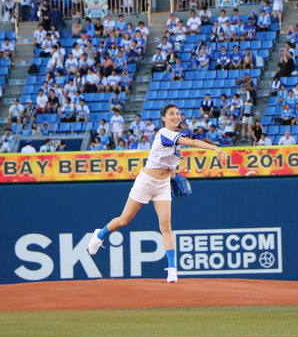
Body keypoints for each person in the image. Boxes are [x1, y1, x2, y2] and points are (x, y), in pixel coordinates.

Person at [88, 104, 227, 284]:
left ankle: (172, 270)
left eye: (178, 114)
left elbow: (169, 161)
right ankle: (100, 235)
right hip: (146, 181)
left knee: (166, 226)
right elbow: (192, 143)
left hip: (162, 184)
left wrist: (173, 172)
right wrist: (215, 148)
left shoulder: (174, 140)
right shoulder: (164, 133)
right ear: (164, 118)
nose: (176, 116)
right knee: (124, 220)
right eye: (171, 114)